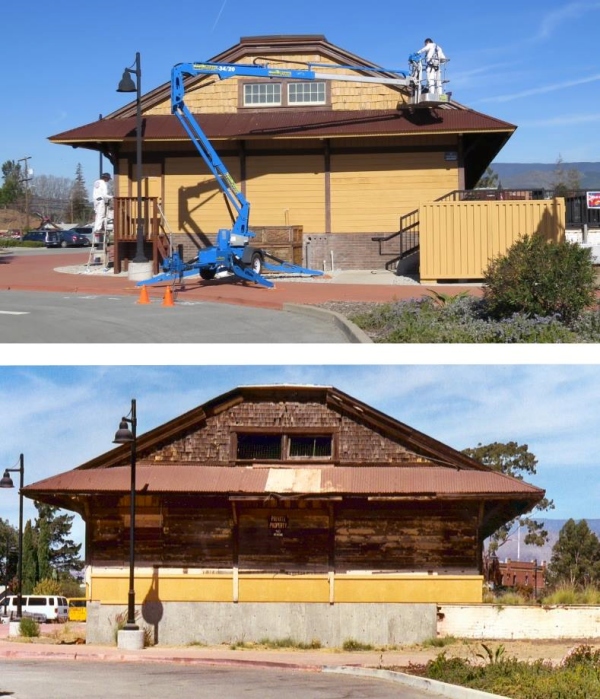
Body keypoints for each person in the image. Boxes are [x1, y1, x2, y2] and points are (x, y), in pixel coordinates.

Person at [92, 172, 112, 242]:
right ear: (106, 178)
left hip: (95, 200)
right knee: (101, 215)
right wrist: (112, 197)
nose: (108, 180)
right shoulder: (103, 184)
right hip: (100, 200)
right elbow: (104, 195)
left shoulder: (96, 182)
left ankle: (96, 228)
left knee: (97, 215)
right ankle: (98, 228)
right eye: (108, 179)